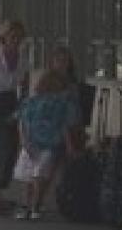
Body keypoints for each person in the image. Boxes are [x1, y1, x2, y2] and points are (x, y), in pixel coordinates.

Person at [15, 68, 82, 220]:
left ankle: (26, 205)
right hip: (50, 144)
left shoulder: (31, 101)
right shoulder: (64, 102)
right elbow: (66, 126)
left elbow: (22, 122)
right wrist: (70, 146)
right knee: (41, 176)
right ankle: (35, 207)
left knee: (28, 177)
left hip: (30, 142)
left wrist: (23, 141)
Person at [0, 20, 30, 213]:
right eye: (12, 37)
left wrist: (19, 111)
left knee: (10, 149)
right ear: (4, 37)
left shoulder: (23, 59)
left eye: (19, 37)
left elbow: (24, 89)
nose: (15, 41)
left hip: (10, 102)